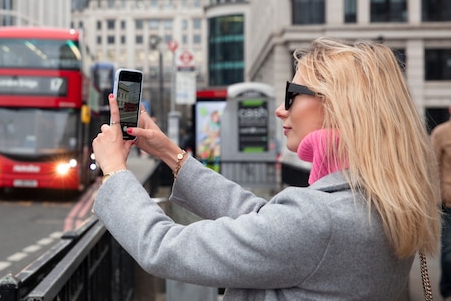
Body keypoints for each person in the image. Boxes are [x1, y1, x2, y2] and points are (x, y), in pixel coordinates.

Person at [92, 37, 440, 300]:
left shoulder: (322, 219)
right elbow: (266, 220)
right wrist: (170, 152)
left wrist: (114, 172)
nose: (279, 109)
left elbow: (165, 248)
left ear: (339, 106)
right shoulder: (376, 199)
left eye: (292, 93)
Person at [432, 106, 451, 300]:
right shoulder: (441, 133)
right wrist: (437, 199)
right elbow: (433, 166)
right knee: (448, 252)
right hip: (449, 203)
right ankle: (447, 290)